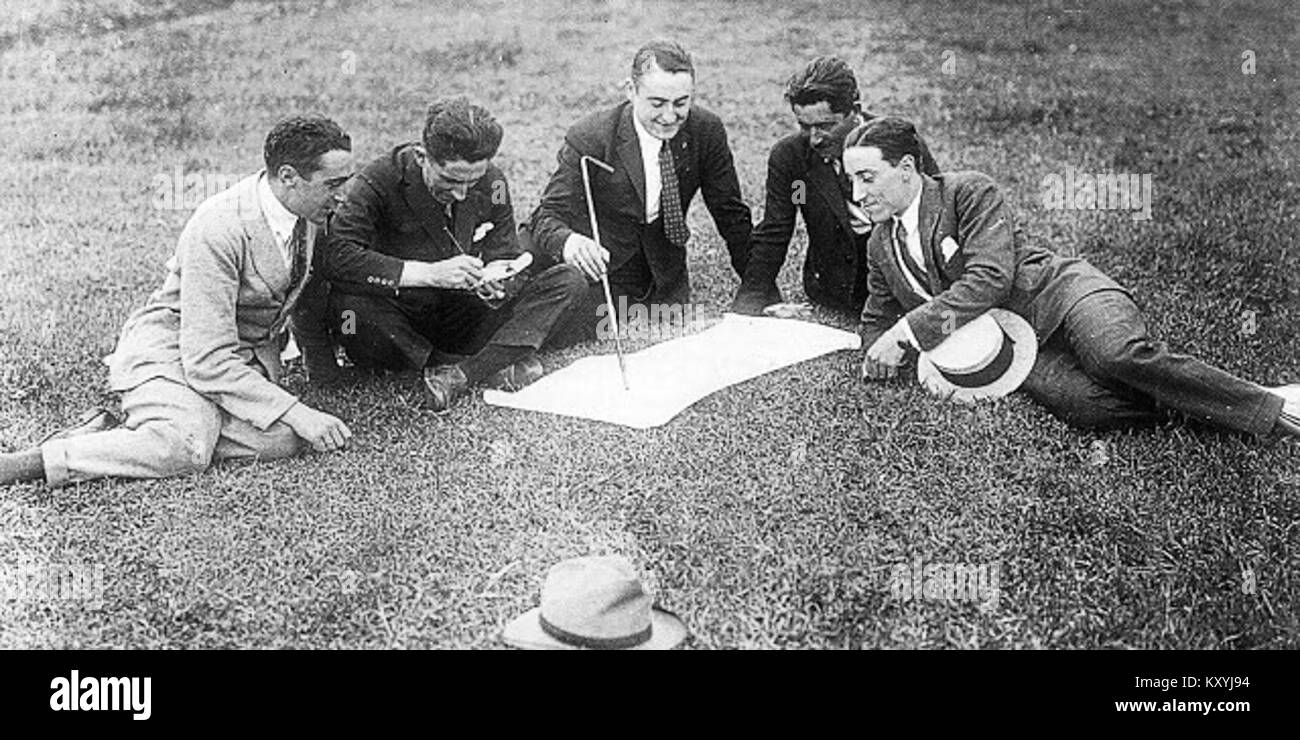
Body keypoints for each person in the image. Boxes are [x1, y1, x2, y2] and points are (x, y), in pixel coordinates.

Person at [845, 116, 1300, 437]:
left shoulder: (966, 191)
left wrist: (906, 334)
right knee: (1087, 409)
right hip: (1015, 345)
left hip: (1063, 296)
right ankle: (1214, 401)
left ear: (906, 168)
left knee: (1114, 357)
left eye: (867, 178)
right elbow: (875, 317)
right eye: (852, 182)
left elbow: (989, 277)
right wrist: (876, 355)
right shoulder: (880, 244)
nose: (858, 194)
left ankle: (1272, 409)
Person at [0, 116, 356, 488]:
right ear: (288, 177)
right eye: (333, 184)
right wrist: (297, 409)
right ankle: (36, 461)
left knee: (281, 437)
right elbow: (206, 358)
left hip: (237, 356)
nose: (342, 195)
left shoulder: (310, 211)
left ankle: (137, 431)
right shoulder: (220, 227)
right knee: (186, 448)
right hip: (175, 348)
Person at [295, 97, 586, 410]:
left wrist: (496, 280)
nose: (461, 193)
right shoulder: (378, 181)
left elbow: (506, 252)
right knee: (349, 310)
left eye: (472, 181)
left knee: (568, 280)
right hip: (398, 320)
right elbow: (338, 255)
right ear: (422, 156)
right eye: (449, 180)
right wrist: (430, 274)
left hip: (464, 311)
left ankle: (462, 374)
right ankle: (488, 363)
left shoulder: (493, 182)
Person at [528, 40, 752, 340]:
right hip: (601, 265)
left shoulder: (706, 130)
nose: (670, 116)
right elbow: (549, 214)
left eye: (681, 103)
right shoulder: (590, 136)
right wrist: (570, 243)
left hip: (660, 268)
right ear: (630, 91)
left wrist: (759, 290)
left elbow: (731, 214)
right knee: (568, 324)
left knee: (649, 323)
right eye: (657, 103)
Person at [733, 56, 939, 317]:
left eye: (826, 126)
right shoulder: (790, 158)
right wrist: (749, 305)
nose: (815, 139)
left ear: (855, 111)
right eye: (804, 126)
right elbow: (775, 230)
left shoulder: (902, 144)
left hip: (898, 287)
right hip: (832, 292)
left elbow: (934, 215)